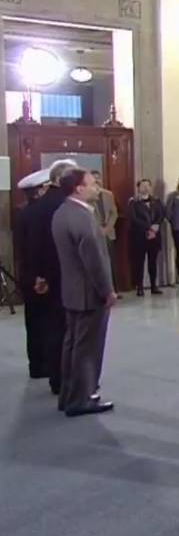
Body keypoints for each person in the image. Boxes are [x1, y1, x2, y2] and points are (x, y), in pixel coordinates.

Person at [51, 168, 117, 417]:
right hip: (89, 293)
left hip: (72, 291)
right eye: (92, 184)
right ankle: (82, 398)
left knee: (72, 346)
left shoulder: (62, 212)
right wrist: (107, 290)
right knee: (88, 349)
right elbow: (94, 260)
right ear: (78, 188)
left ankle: (69, 394)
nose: (97, 188)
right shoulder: (82, 217)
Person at [18, 159, 76, 396]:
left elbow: (26, 248)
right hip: (58, 275)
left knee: (39, 324)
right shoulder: (62, 207)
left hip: (35, 275)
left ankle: (40, 367)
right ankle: (59, 376)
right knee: (60, 328)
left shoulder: (28, 212)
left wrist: (35, 276)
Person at [128, 178, 166, 296]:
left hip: (154, 236)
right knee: (139, 262)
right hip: (140, 236)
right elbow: (133, 218)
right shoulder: (133, 202)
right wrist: (149, 227)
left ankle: (154, 286)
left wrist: (156, 226)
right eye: (143, 185)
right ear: (138, 188)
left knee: (152, 261)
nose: (145, 187)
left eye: (148, 185)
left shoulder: (157, 201)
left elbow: (161, 215)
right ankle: (139, 287)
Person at [91, 171, 119, 280]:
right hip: (94, 232)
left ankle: (113, 289)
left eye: (99, 178)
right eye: (94, 178)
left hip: (108, 232)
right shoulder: (87, 196)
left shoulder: (108, 194)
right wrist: (99, 229)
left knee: (111, 261)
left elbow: (114, 213)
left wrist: (108, 228)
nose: (97, 180)